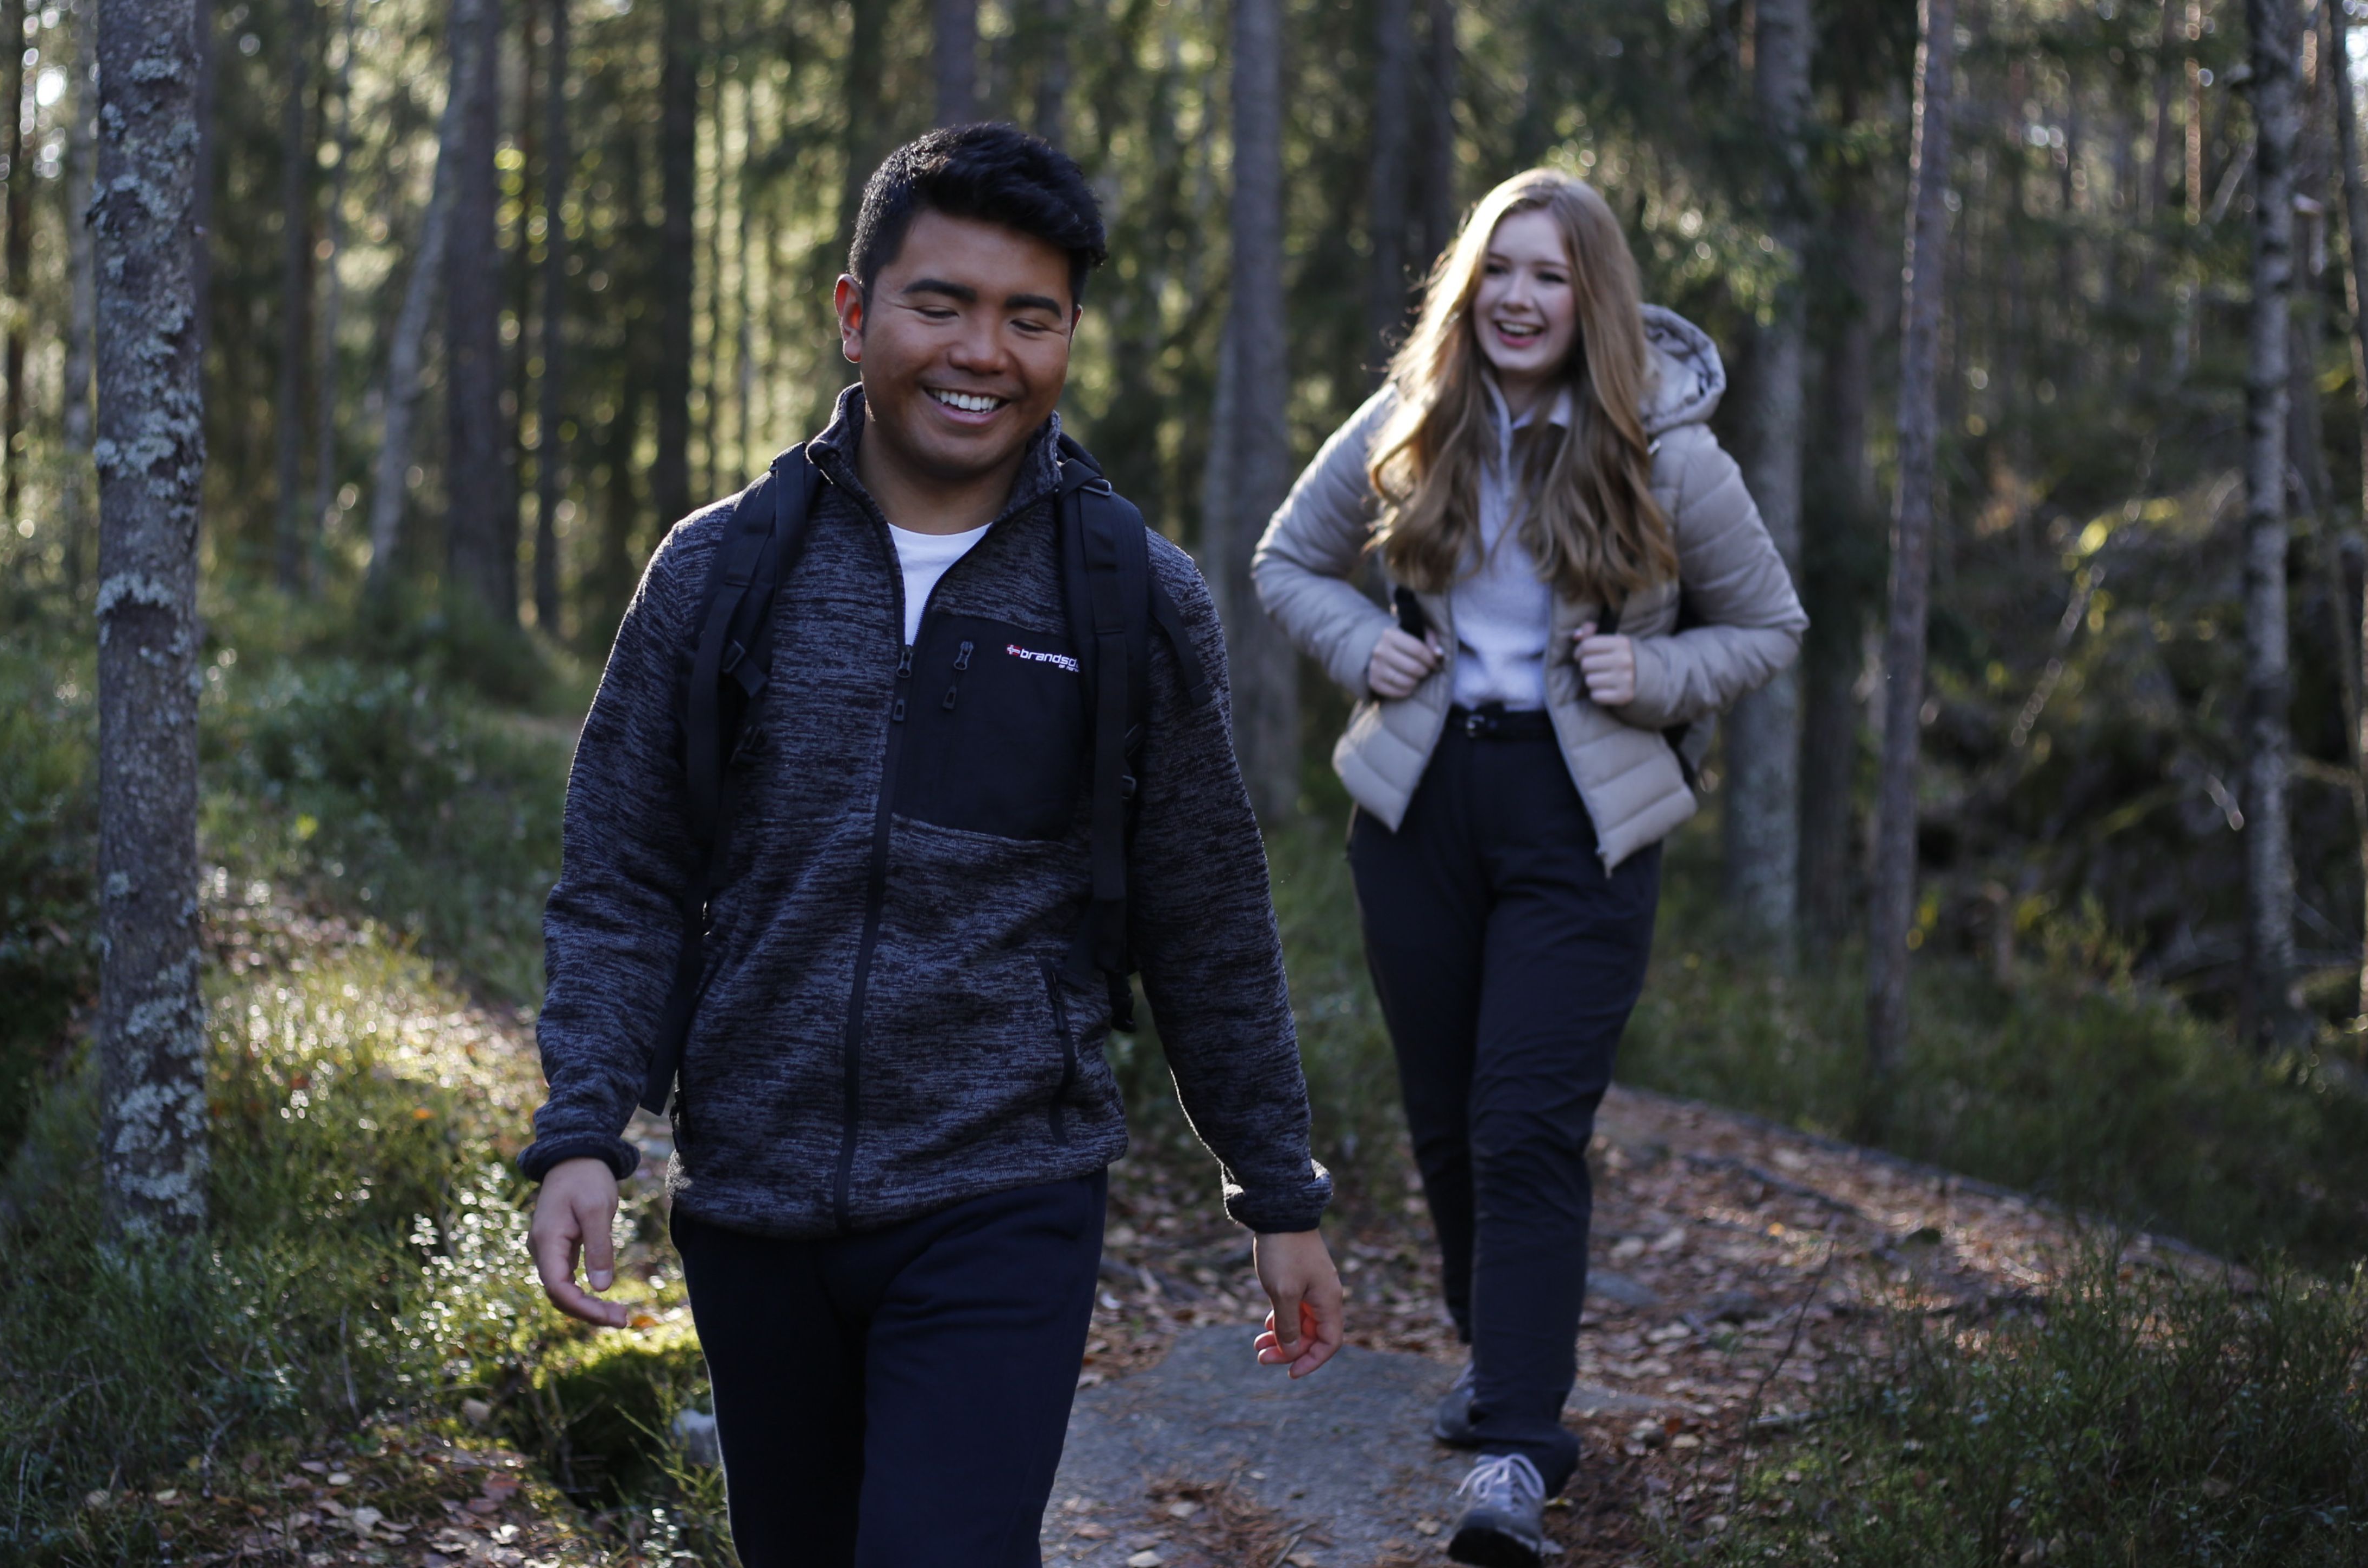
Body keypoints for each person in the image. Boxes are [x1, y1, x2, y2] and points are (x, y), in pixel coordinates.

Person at [522, 124, 1345, 1568]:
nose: (983, 352)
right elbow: (626, 877)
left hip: (1002, 1192)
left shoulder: (1129, 598)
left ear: (1068, 338)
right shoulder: (720, 570)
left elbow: (1206, 914)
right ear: (856, 314)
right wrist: (585, 1128)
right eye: (941, 304)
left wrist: (1276, 1191)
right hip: (754, 1197)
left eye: (1031, 317)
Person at [1252, 169, 1804, 1567]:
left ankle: (1514, 1445)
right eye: (1498, 269)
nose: (1518, 296)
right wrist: (1364, 646)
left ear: (1590, 296)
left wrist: (1654, 675)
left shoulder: (1666, 450)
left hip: (1582, 817)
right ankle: (1496, 1355)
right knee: (1446, 1124)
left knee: (1524, 1127)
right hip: (1420, 809)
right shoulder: (1410, 418)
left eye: (1549, 275)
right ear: (1468, 286)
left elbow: (1770, 623)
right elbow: (1286, 562)